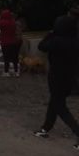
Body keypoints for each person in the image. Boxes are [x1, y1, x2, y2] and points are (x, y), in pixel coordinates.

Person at [34, 12, 79, 151]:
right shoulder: (75, 40)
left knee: (59, 106)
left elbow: (41, 46)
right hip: (70, 76)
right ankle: (45, 128)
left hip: (56, 76)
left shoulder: (57, 40)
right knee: (55, 102)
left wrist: (51, 33)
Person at [0, 9, 20, 77]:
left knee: (6, 58)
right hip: (14, 42)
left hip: (5, 43)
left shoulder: (2, 22)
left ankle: (6, 72)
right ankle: (16, 71)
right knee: (15, 58)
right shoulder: (13, 22)